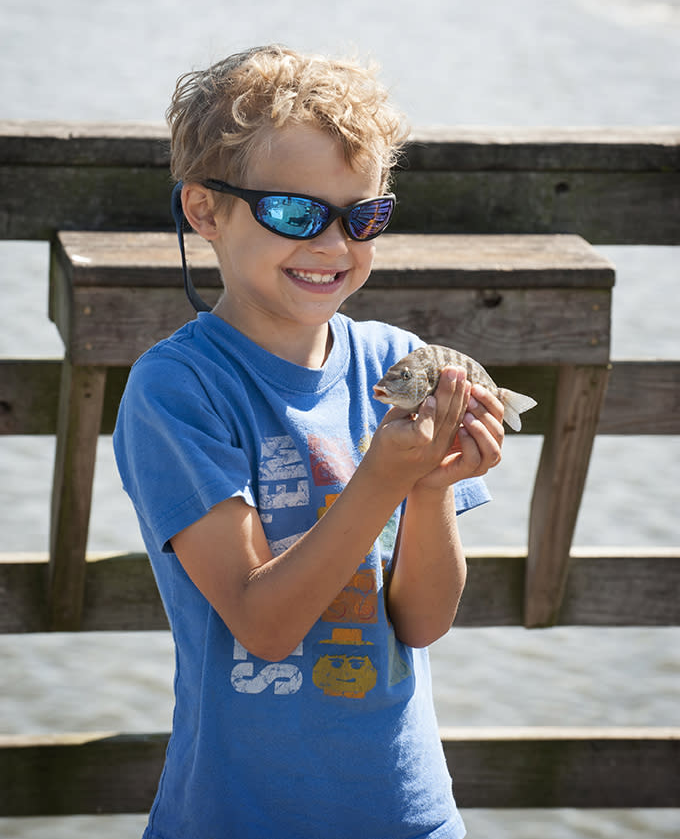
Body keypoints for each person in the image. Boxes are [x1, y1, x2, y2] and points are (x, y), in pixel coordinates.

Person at [113, 44, 505, 839]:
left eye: (362, 217)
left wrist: (427, 487)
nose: (333, 245)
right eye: (295, 213)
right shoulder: (178, 391)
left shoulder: (395, 367)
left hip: (409, 813)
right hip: (238, 816)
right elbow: (264, 623)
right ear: (204, 211)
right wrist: (383, 476)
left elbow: (422, 622)